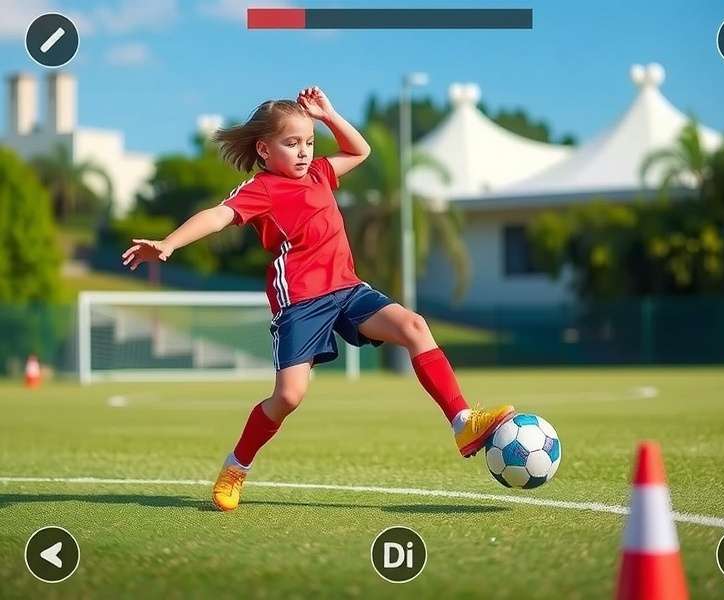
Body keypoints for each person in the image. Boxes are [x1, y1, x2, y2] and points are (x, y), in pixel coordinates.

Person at [122, 86, 515, 512]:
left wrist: (328, 114)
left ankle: (462, 422)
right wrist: (170, 243)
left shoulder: (321, 174)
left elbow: (359, 150)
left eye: (309, 142)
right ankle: (237, 465)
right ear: (264, 149)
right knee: (289, 396)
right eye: (292, 143)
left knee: (414, 326)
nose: (304, 151)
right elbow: (217, 216)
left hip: (347, 289)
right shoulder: (263, 188)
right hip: (302, 303)